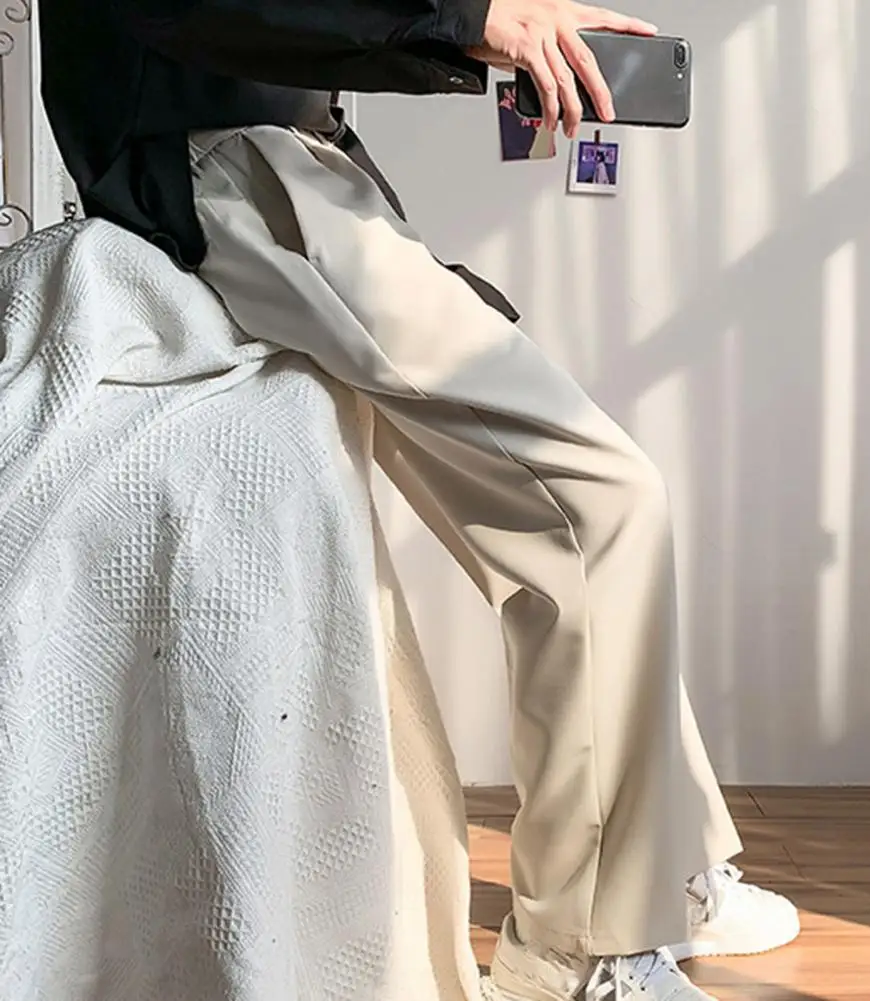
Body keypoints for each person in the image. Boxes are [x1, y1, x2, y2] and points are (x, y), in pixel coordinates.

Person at [38, 1, 800, 999]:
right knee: (598, 503)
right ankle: (575, 951)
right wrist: (470, 16)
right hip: (226, 164)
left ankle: (662, 870)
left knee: (601, 505)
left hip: (276, 159)